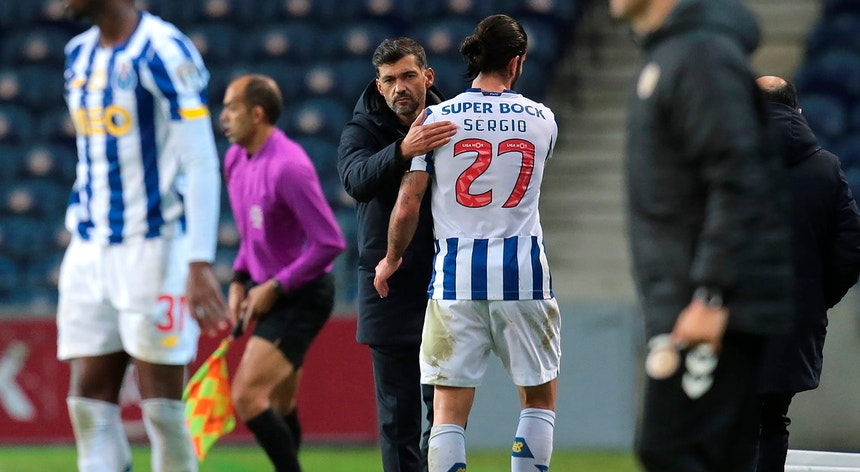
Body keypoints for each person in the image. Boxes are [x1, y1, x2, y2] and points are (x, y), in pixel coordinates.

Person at [609, 0, 796, 470]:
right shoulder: (676, 53)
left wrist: (712, 295)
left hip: (710, 311)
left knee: (675, 452)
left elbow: (740, 179)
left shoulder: (699, 56)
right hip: (692, 303)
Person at [373, 14, 561, 472]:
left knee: (448, 414)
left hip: (455, 281)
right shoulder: (542, 119)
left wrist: (392, 258)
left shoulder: (435, 118)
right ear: (515, 62)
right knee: (538, 401)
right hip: (524, 278)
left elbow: (407, 205)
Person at [58, 1, 229, 471]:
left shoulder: (164, 50)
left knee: (164, 412)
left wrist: (198, 260)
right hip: (89, 246)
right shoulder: (78, 54)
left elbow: (199, 160)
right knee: (88, 406)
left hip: (155, 247)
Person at [337, 37, 457, 471]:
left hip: (444, 276)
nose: (399, 87)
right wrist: (405, 149)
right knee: (397, 418)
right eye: (389, 80)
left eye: (408, 76)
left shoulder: (451, 120)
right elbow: (355, 180)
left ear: (427, 76)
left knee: (444, 413)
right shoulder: (362, 129)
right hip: (386, 285)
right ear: (378, 84)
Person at [220, 74, 346, 472]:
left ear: (257, 114)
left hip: (303, 294)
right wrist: (240, 279)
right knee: (280, 404)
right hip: (268, 290)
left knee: (246, 397)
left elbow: (330, 242)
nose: (222, 117)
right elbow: (252, 235)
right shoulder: (235, 159)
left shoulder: (289, 167)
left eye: (231, 108)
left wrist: (275, 285)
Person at [755, 76, 860, 472]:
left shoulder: (727, 162)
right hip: (795, 317)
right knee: (772, 419)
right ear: (797, 111)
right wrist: (817, 295)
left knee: (728, 421)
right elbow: (852, 246)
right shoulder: (827, 167)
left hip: (733, 316)